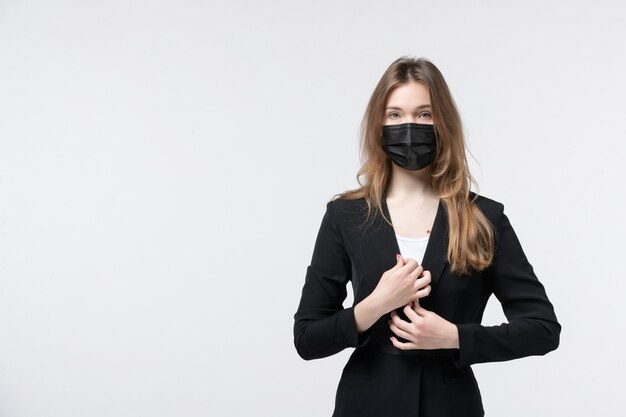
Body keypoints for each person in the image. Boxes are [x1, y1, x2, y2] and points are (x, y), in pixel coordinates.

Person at [292, 56, 561, 417]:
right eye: (395, 114)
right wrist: (375, 305)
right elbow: (307, 338)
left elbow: (543, 329)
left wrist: (454, 337)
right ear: (379, 124)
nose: (409, 125)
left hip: (452, 406)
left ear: (443, 123)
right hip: (365, 404)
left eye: (424, 114)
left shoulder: (484, 218)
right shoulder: (345, 216)